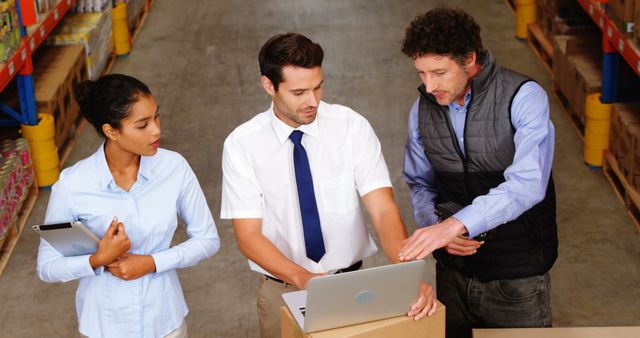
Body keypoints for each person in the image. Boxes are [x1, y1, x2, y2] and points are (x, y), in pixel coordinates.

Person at [221, 32, 437, 338]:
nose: (312, 101)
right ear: (269, 86)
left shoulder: (351, 127)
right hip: (281, 290)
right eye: (298, 92)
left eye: (318, 87)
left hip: (352, 288)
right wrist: (304, 278)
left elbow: (383, 208)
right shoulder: (242, 145)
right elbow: (248, 235)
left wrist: (406, 276)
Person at [397, 6, 558, 338]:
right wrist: (436, 226)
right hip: (453, 274)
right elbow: (419, 182)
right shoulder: (422, 109)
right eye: (421, 73)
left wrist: (457, 224)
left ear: (469, 59)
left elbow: (528, 183)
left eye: (439, 72)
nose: (428, 86)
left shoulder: (523, 97)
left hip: (517, 278)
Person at [37, 74, 220, 338]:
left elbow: (208, 239)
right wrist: (98, 259)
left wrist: (151, 263)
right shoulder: (73, 185)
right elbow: (47, 266)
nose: (156, 130)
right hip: (104, 326)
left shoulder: (174, 167)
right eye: (142, 125)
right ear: (111, 131)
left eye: (156, 117)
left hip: (165, 322)